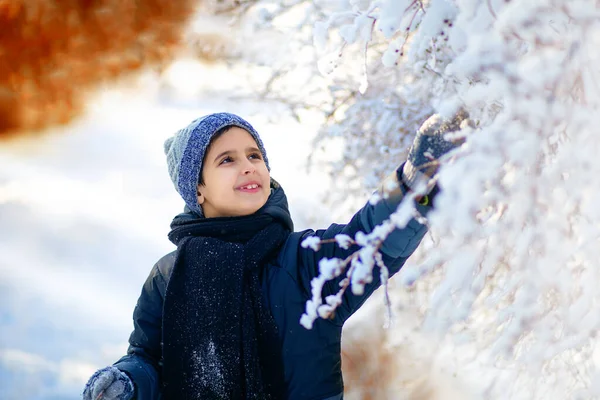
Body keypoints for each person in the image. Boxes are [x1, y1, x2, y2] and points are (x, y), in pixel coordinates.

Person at [82, 111, 466, 400]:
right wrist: (128, 381)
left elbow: (370, 239)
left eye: (254, 155)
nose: (248, 165)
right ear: (197, 189)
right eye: (227, 159)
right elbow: (150, 357)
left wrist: (418, 180)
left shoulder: (302, 261)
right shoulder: (169, 277)